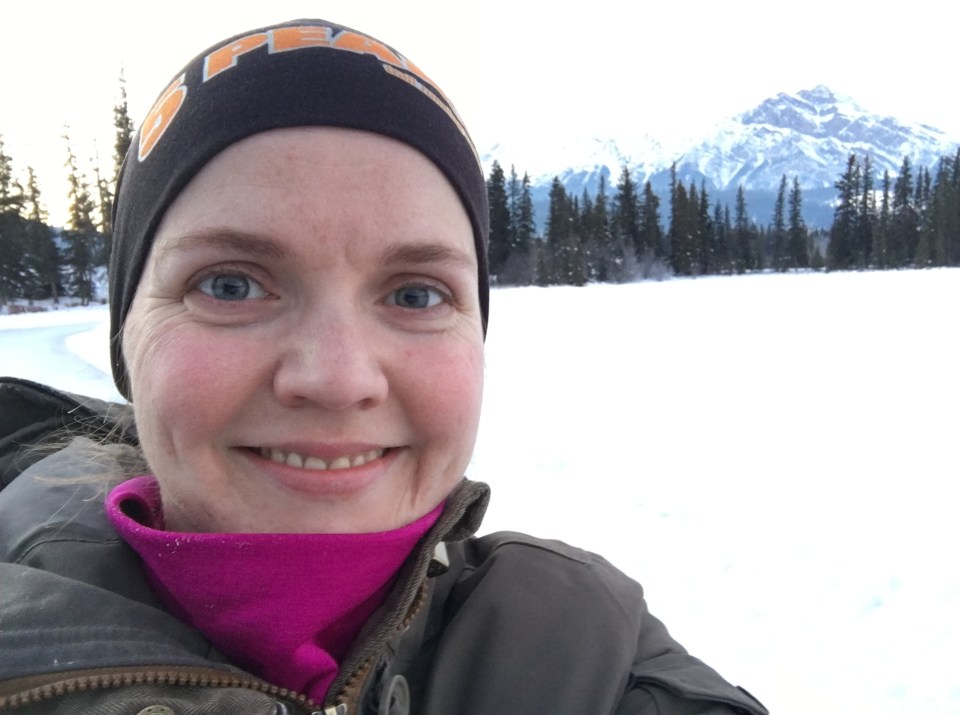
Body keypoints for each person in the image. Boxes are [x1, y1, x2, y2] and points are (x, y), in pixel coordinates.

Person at [0, 19, 767, 715]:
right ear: (126, 337)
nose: (339, 379)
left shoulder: (591, 655)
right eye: (229, 284)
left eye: (415, 294)